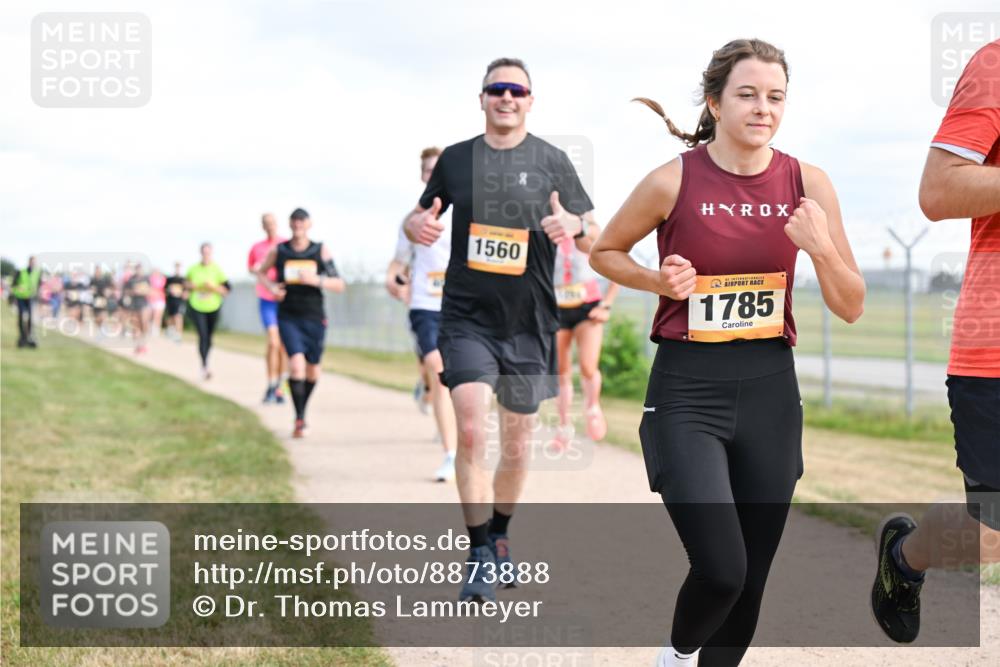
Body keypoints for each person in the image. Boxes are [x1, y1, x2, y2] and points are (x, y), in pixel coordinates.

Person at [589, 39, 865, 666]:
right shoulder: (673, 179)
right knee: (721, 569)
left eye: (776, 97)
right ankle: (675, 656)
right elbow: (605, 251)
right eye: (747, 94)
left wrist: (820, 248)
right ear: (715, 103)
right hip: (687, 391)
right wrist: (657, 280)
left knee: (750, 584)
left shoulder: (808, 183)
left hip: (770, 391)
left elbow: (851, 305)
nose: (763, 107)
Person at [405, 57, 598, 602]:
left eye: (517, 90)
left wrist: (575, 224)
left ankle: (501, 534)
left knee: (516, 442)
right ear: (482, 98)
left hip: (529, 324)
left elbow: (593, 234)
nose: (506, 97)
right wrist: (415, 225)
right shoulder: (457, 159)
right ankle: (478, 552)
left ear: (530, 101)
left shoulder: (552, 161)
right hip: (466, 319)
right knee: (471, 429)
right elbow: (417, 216)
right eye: (497, 89)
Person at [871, 38, 1000, 644]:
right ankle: (905, 557)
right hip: (993, 350)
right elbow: (940, 190)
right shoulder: (995, 64)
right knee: (993, 531)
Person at [387, 146, 458, 481]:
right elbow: (397, 264)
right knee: (439, 369)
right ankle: (451, 454)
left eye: (438, 170)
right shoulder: (412, 221)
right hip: (425, 306)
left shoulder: (466, 213)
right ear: (422, 176)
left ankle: (454, 427)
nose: (434, 176)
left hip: (461, 306)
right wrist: (393, 281)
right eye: (429, 171)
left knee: (465, 380)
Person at [256, 208, 345, 438]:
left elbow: (339, 284)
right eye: (294, 221)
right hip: (288, 316)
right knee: (296, 365)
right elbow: (260, 272)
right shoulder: (280, 250)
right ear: (289, 224)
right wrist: (272, 288)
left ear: (309, 224)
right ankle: (299, 418)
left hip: (314, 317)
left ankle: (302, 408)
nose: (298, 225)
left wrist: (317, 280)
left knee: (313, 370)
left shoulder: (319, 250)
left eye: (302, 221)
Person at [550, 237, 619, 449]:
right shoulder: (546, 231)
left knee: (588, 367)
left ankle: (592, 408)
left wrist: (606, 305)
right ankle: (564, 426)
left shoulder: (587, 232)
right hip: (556, 307)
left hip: (587, 307)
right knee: (561, 371)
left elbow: (616, 264)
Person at [248, 213, 289, 404]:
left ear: (277, 224)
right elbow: (251, 269)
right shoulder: (257, 247)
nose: (270, 226)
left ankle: (280, 386)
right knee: (273, 342)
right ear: (262, 226)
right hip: (266, 298)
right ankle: (271, 383)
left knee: (283, 345)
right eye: (266, 223)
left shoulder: (285, 244)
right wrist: (258, 268)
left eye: (272, 223)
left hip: (285, 299)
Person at [185, 243, 230, 379]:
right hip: (197, 306)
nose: (206, 255)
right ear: (200, 253)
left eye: (208, 252)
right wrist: (190, 286)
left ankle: (206, 360)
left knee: (209, 337)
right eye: (203, 252)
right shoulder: (193, 269)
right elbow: (185, 284)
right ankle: (204, 366)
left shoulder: (217, 269)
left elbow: (226, 290)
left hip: (213, 307)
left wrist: (213, 287)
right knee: (202, 335)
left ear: (211, 253)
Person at [12, 256, 42, 348]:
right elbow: (13, 284)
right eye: (32, 262)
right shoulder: (21, 271)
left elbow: (38, 285)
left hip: (30, 298)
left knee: (30, 318)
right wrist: (18, 289)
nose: (33, 263)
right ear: (29, 262)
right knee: (21, 316)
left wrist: (38, 295)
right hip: (21, 297)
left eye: (35, 262)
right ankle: (22, 336)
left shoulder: (37, 273)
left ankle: (29, 336)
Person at [123, 263, 152, 354]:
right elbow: (126, 291)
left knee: (144, 323)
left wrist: (142, 291)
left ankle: (144, 343)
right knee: (135, 325)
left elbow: (149, 290)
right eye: (137, 269)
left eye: (140, 269)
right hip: (134, 304)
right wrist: (133, 291)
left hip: (143, 303)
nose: (139, 271)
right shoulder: (131, 279)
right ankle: (137, 346)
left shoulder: (146, 279)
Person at [164, 261, 186, 341]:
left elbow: (186, 291)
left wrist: (184, 293)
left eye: (178, 267)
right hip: (171, 300)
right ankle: (171, 331)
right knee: (171, 317)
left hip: (179, 301)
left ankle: (179, 334)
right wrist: (169, 291)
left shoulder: (183, 279)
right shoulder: (170, 279)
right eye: (176, 267)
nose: (177, 268)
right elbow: (165, 289)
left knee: (178, 316)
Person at [148, 268, 167, 338]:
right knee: (152, 315)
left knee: (158, 316)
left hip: (160, 299)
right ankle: (150, 329)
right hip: (151, 299)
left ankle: (156, 330)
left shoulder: (163, 279)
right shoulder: (150, 279)